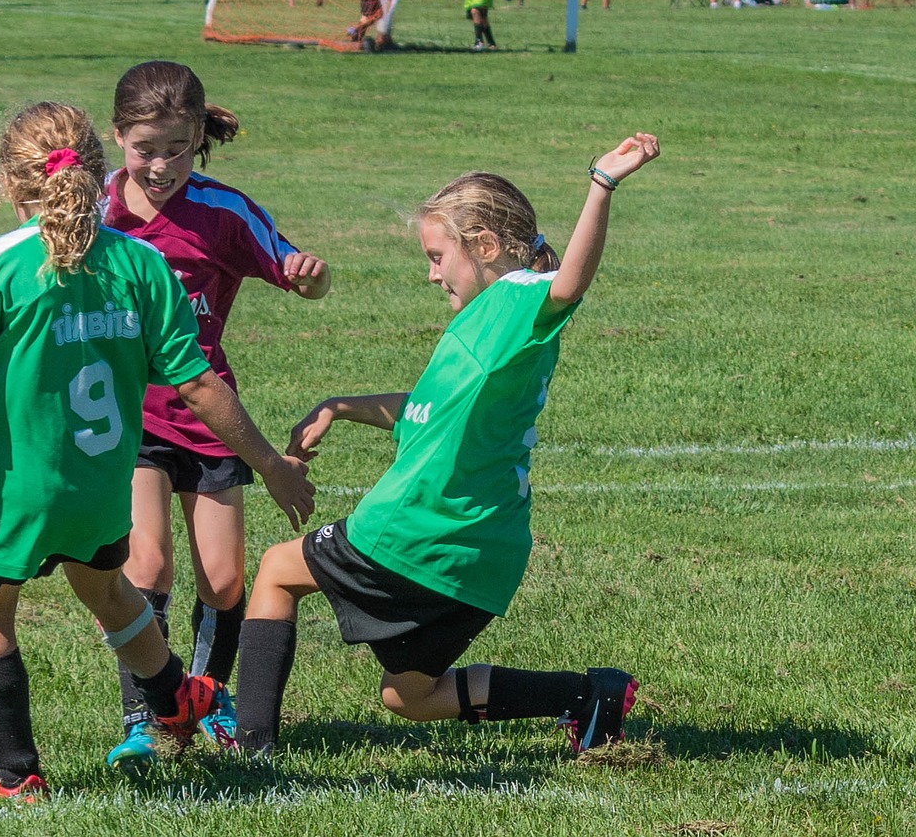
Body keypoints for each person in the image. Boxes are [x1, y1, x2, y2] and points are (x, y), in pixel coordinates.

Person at [0, 101, 314, 798]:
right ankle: (174, 700)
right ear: (99, 176)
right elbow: (198, 385)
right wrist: (271, 464)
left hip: (16, 489)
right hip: (101, 487)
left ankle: (15, 774)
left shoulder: (1, 266)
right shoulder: (140, 264)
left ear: (11, 183)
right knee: (108, 591)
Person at [229, 133, 661, 758]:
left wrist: (603, 182)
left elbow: (568, 284)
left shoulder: (515, 298)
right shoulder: (486, 330)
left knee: (276, 570)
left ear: (484, 246)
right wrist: (340, 407)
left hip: (416, 533)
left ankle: (251, 749)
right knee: (410, 698)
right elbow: (426, 412)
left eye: (437, 255)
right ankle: (586, 695)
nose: (431, 273)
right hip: (482, 557)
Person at [101, 60, 330, 772]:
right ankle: (146, 712)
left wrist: (309, 276)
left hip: (209, 416)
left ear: (198, 134)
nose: (161, 164)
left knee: (225, 581)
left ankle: (208, 694)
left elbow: (296, 269)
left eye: (176, 146)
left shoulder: (224, 212)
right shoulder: (95, 212)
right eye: (146, 148)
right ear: (117, 139)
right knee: (146, 564)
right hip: (127, 418)